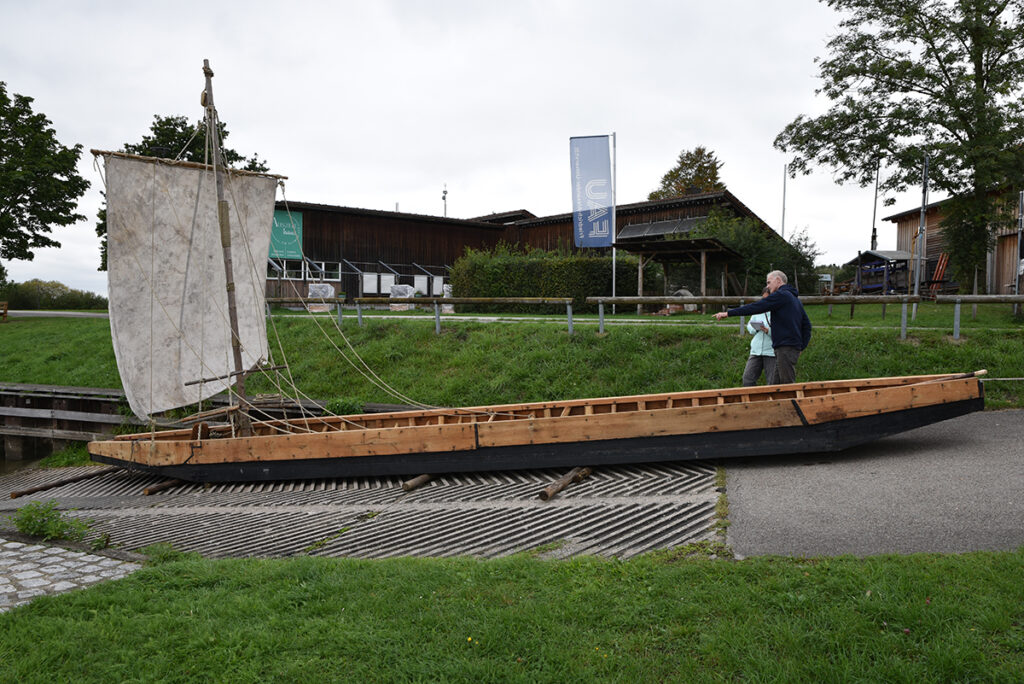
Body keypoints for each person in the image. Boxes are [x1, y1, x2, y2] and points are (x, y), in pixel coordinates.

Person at [712, 270, 811, 384]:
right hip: (786, 347)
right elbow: (807, 326)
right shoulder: (795, 299)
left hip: (785, 347)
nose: (767, 286)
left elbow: (757, 306)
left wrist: (729, 313)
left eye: (769, 282)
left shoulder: (782, 295)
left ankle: (793, 402)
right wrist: (801, 347)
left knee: (787, 386)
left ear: (778, 280)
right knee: (775, 385)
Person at [742, 287, 775, 386]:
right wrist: (756, 328)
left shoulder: (779, 312)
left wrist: (768, 331)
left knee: (772, 382)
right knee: (747, 379)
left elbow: (783, 332)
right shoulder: (758, 310)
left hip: (771, 352)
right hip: (756, 351)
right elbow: (750, 326)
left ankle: (771, 401)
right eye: (763, 298)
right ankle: (752, 400)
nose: (765, 301)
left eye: (767, 298)